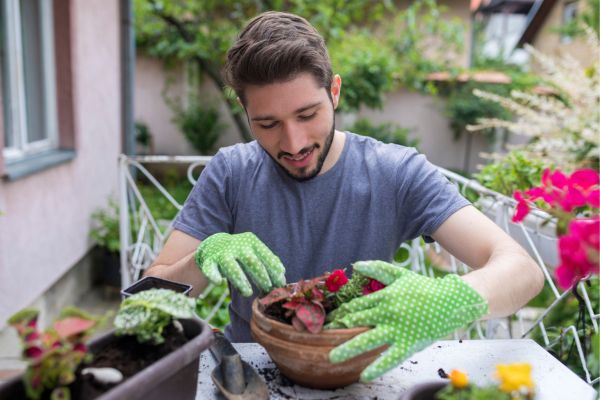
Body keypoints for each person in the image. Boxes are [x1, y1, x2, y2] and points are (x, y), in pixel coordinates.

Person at [145, 11, 544, 381]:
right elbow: (148, 301)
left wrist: (453, 297)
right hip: (248, 374)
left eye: (307, 115)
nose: (294, 143)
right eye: (267, 124)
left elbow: (523, 272)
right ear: (244, 112)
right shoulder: (230, 173)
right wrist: (202, 258)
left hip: (364, 373)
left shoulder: (396, 172)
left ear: (334, 92)